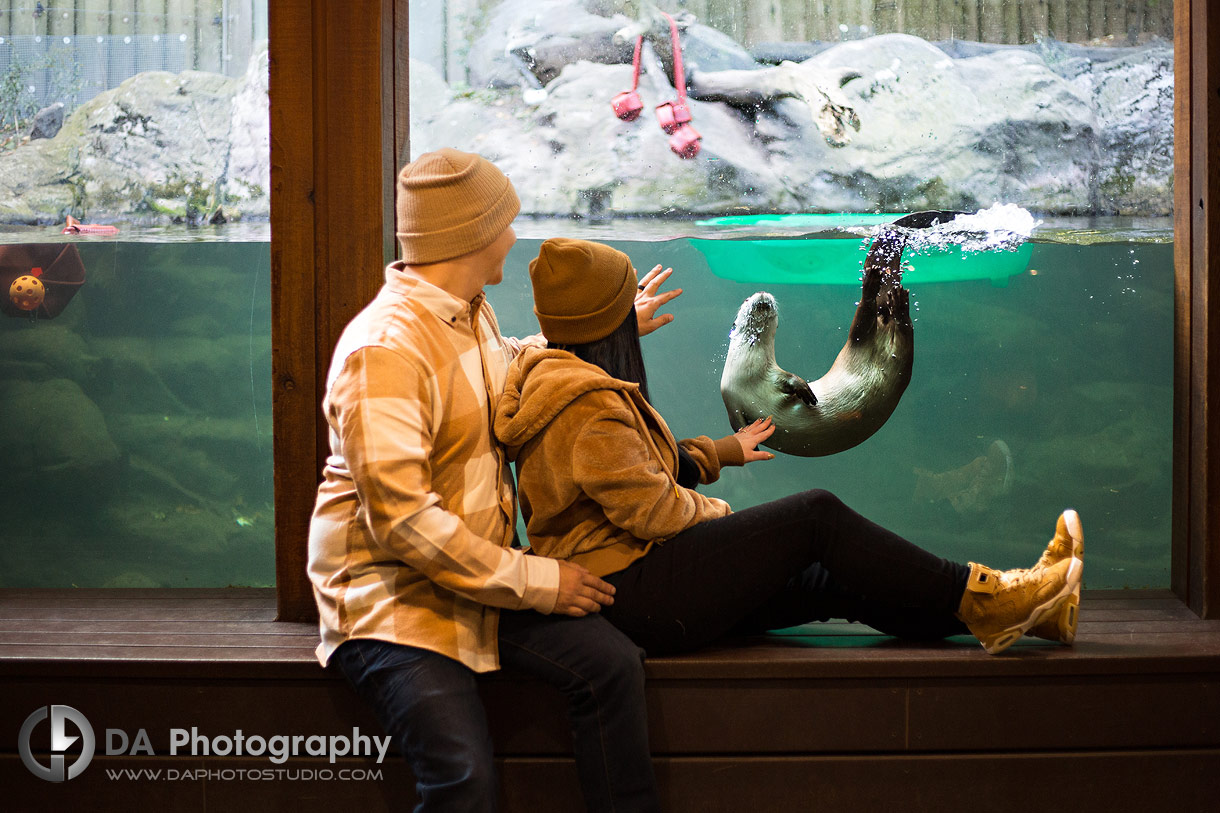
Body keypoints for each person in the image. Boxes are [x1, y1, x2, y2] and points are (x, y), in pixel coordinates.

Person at [494, 237, 1085, 658]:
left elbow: (640, 470)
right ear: (611, 320)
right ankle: (992, 595)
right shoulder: (587, 405)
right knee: (814, 517)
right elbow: (653, 511)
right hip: (634, 596)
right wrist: (727, 521)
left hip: (639, 584)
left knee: (832, 578)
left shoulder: (549, 370)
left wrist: (718, 455)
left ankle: (1021, 612)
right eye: (626, 305)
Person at [307, 151, 679, 812]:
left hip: (476, 584)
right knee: (464, 780)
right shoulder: (384, 351)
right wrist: (539, 581)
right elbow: (405, 524)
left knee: (612, 664)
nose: (514, 235)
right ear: (469, 236)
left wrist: (603, 328)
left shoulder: (468, 311)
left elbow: (505, 365)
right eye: (506, 221)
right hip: (395, 604)